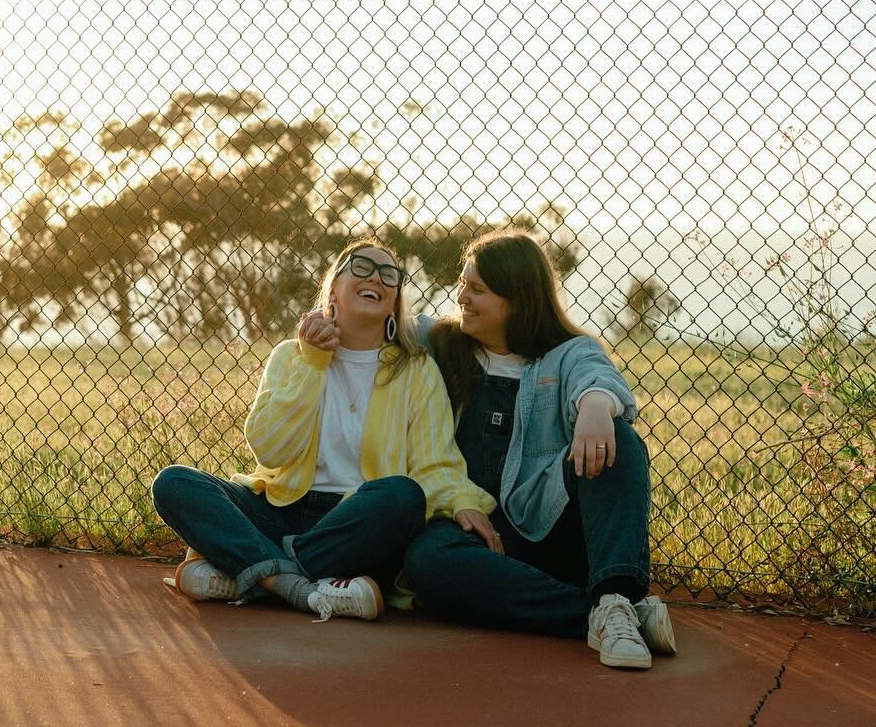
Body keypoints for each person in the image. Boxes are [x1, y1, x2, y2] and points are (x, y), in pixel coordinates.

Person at [152, 240, 497, 622]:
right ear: (333, 287)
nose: (377, 279)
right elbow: (270, 450)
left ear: (395, 298)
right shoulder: (290, 355)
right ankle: (306, 587)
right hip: (281, 509)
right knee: (175, 484)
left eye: (389, 275)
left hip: (355, 522)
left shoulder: (415, 370)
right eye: (362, 267)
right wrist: (313, 362)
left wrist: (463, 500)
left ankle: (253, 572)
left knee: (403, 495)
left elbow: (435, 464)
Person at [401, 229, 675, 669]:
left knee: (619, 438)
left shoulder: (566, 354)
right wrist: (327, 322)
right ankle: (608, 612)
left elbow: (598, 378)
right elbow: (384, 325)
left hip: (547, 527)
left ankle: (614, 594)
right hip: (474, 530)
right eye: (463, 284)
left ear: (516, 299)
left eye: (478, 290)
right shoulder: (444, 343)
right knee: (428, 562)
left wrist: (594, 407)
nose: (462, 298)